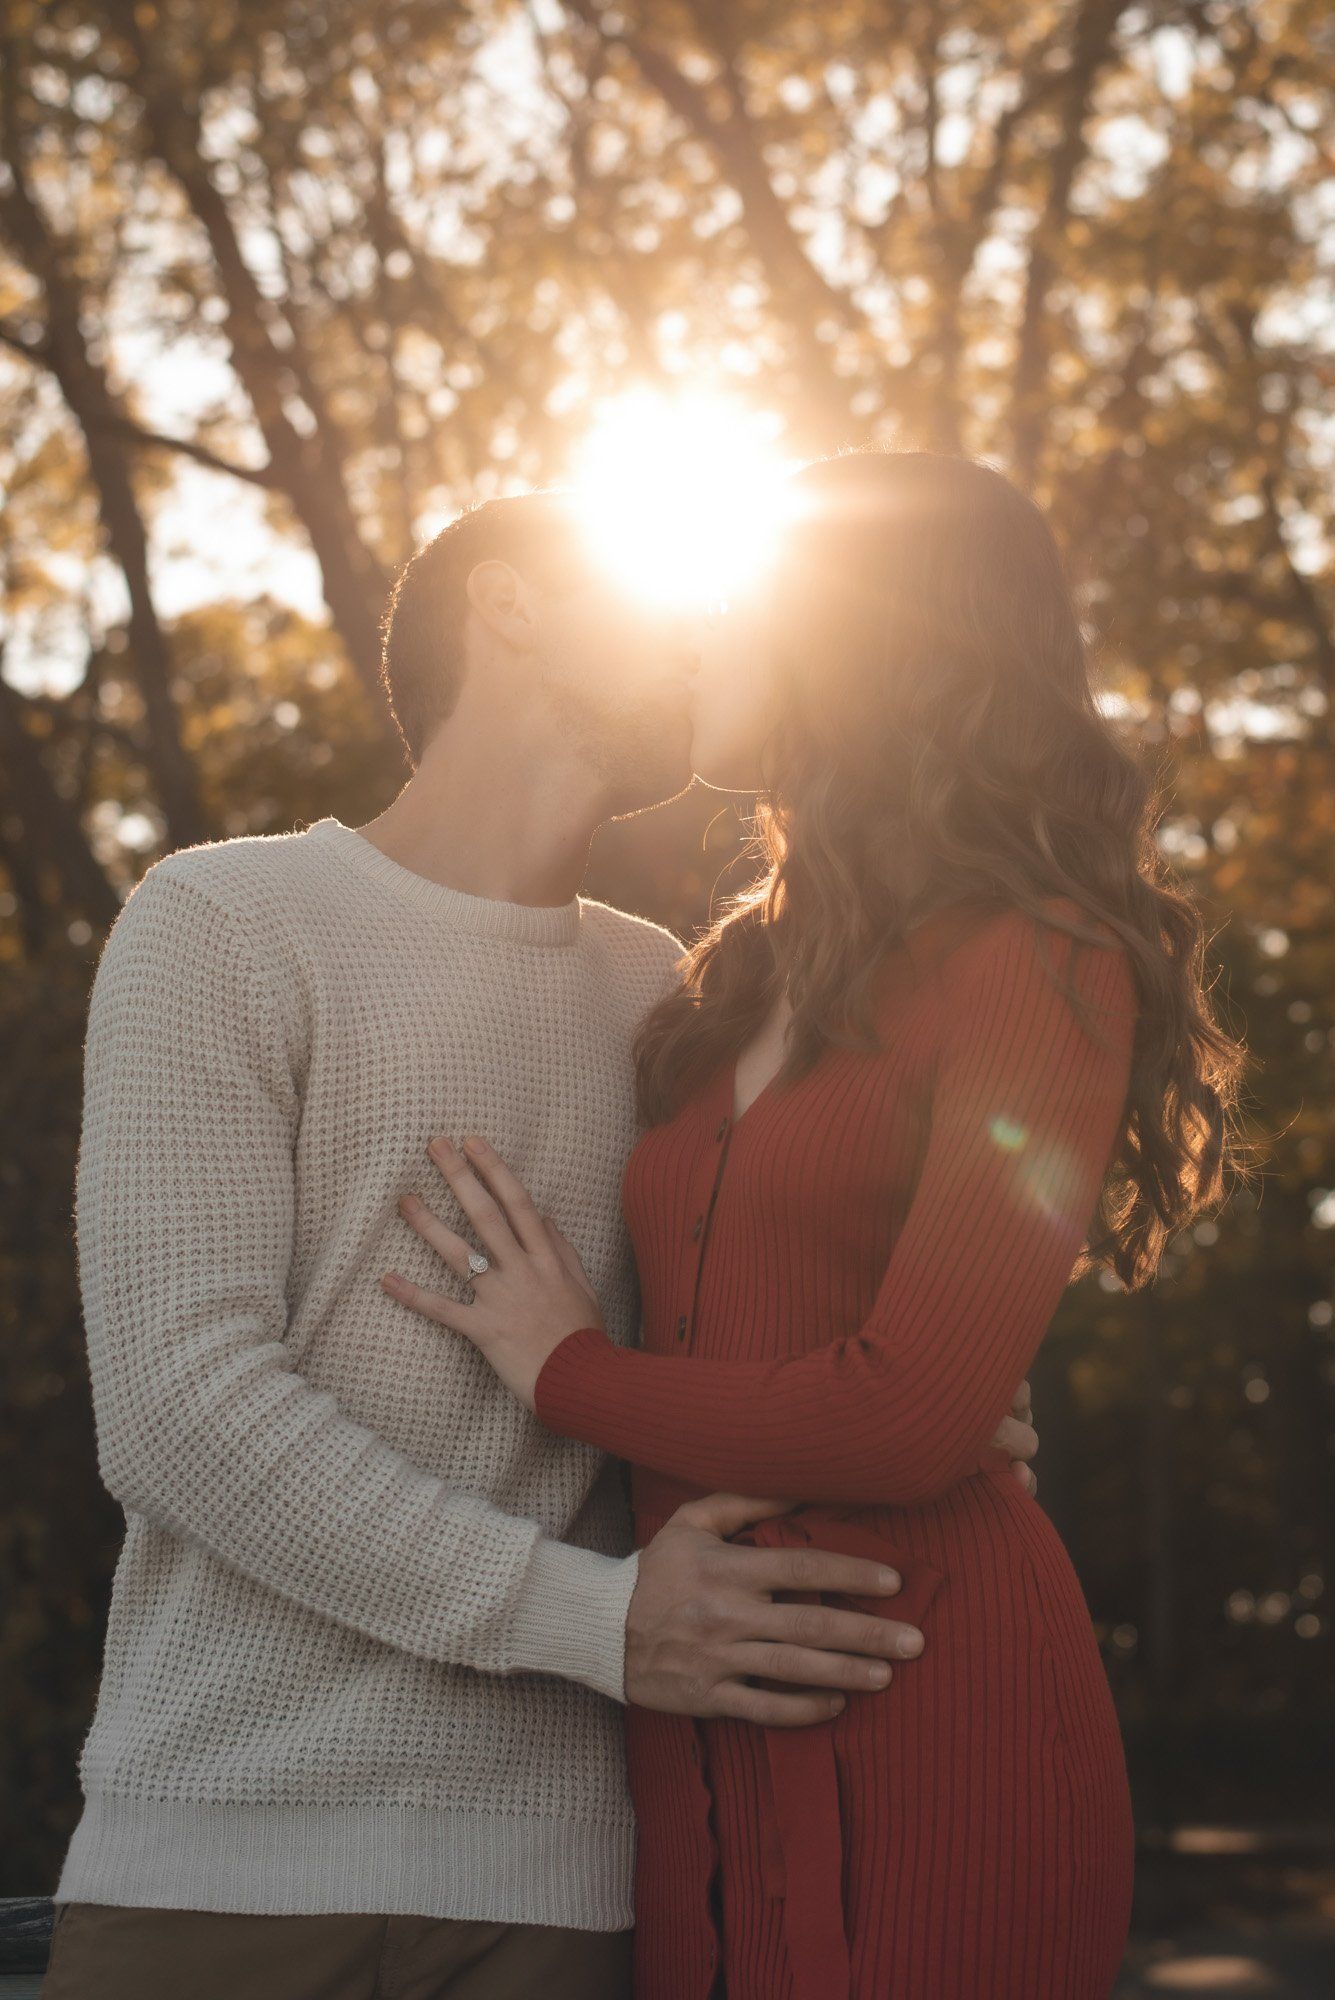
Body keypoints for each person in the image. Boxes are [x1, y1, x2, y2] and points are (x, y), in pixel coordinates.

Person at [42, 487, 1041, 2000]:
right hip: (228, 1864)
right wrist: (597, 1619)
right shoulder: (226, 920)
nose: (710, 633)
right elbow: (181, 1409)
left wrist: (929, 1387)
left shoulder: (674, 997)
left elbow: (741, 1350)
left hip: (571, 1894)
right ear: (509, 602)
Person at [384, 451, 1247, 2000]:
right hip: (692, 1730)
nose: (699, 631)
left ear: (865, 636)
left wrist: (567, 1371)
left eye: (740, 598)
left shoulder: (1041, 955)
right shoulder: (722, 980)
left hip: (935, 1706)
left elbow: (910, 1414)